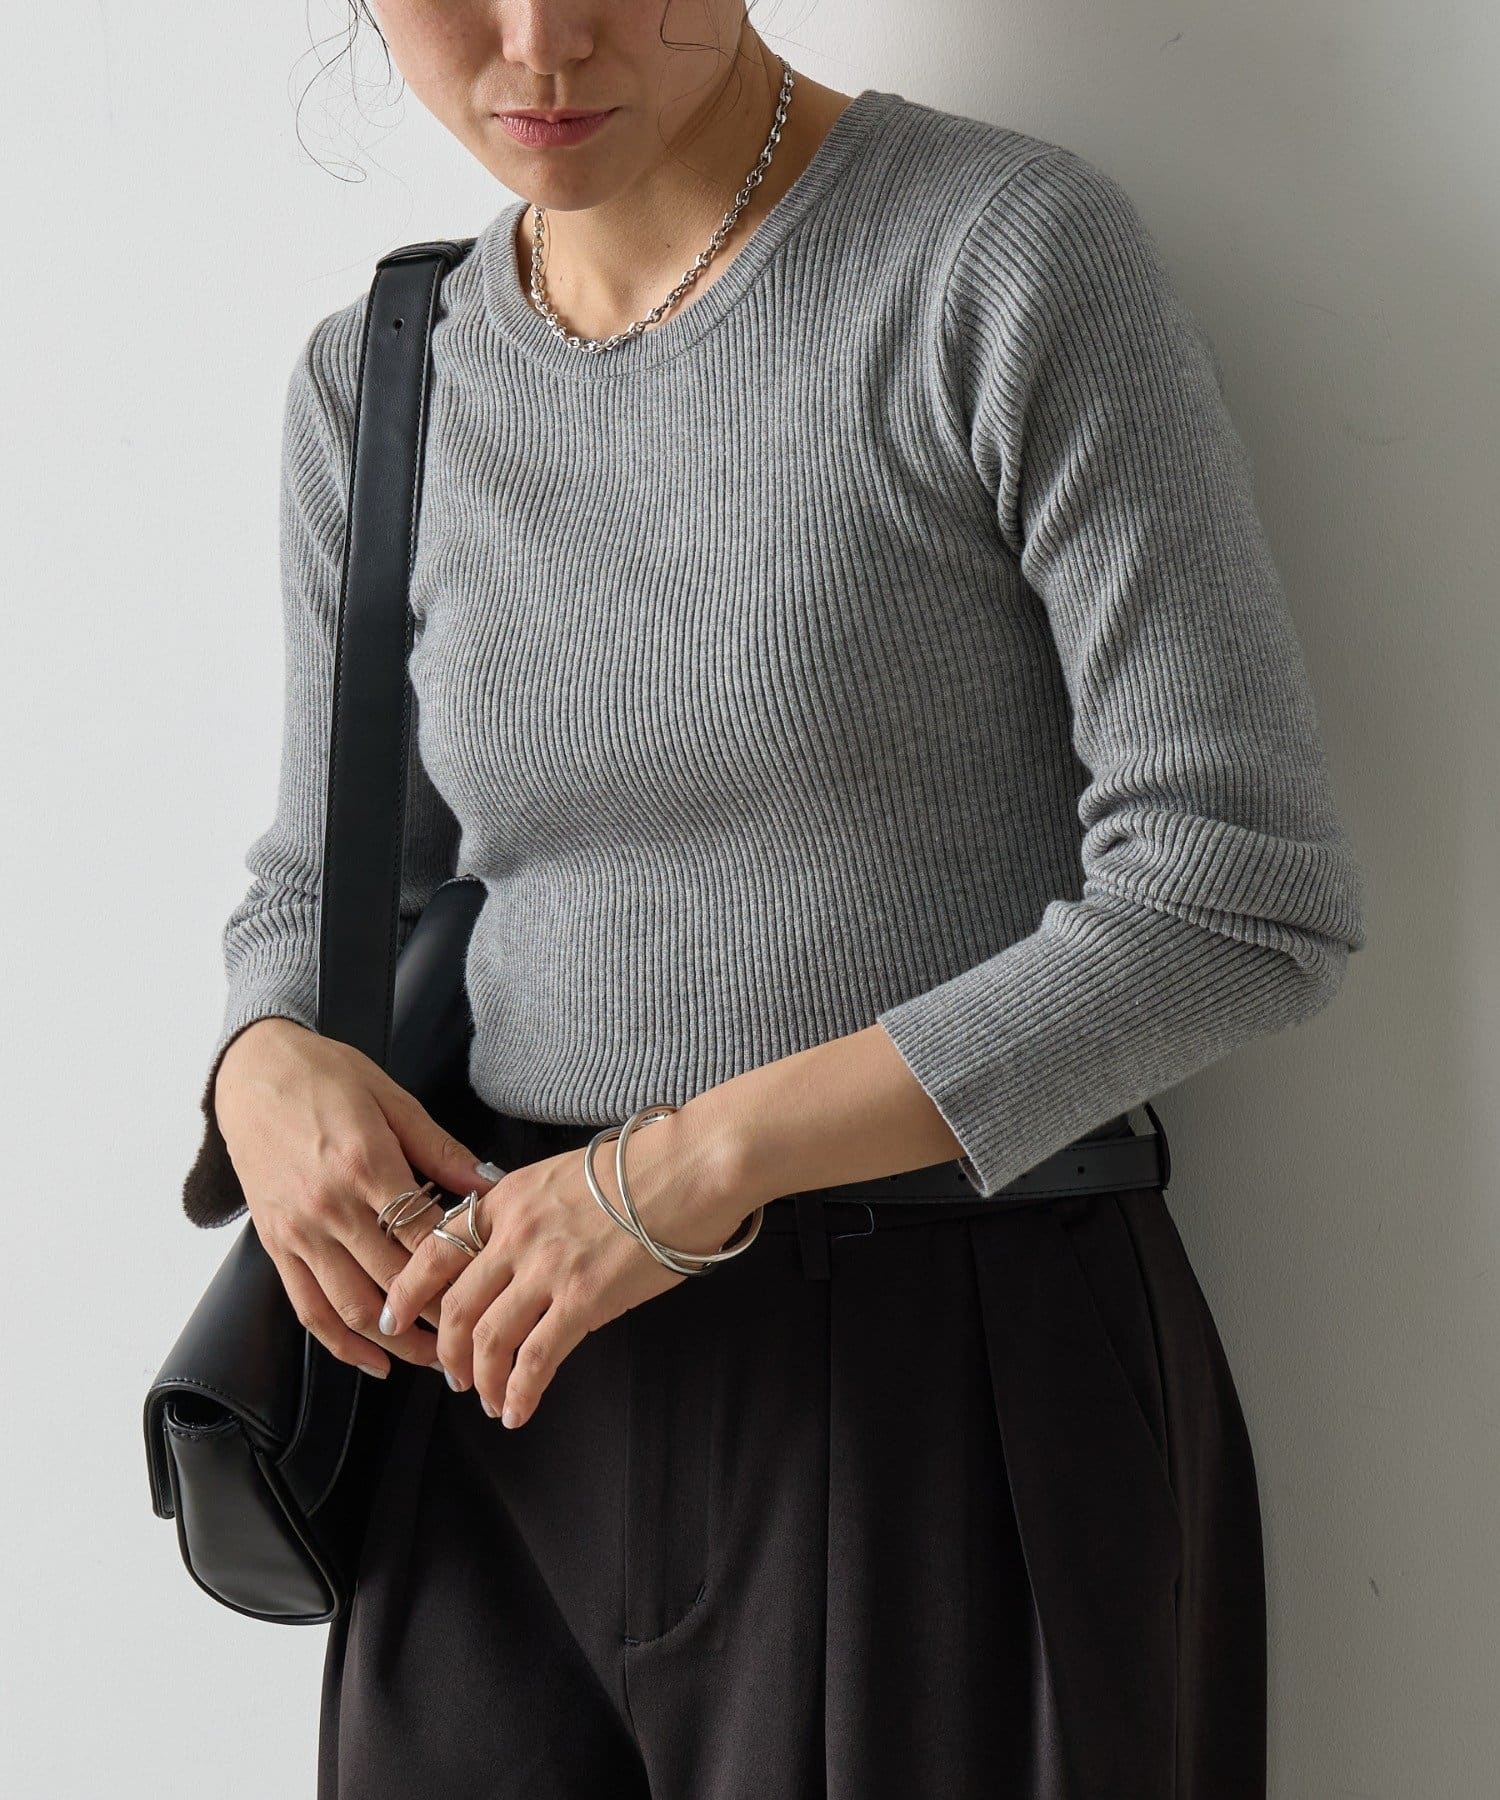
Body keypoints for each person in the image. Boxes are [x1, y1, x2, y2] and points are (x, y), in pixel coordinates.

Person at [179, 5, 1368, 1796]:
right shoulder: (386, 378)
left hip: (939, 1381)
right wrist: (261, 1060)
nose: (538, 45)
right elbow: (328, 876)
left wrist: (692, 1168)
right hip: (492, 1385)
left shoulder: (992, 260)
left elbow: (1239, 893)